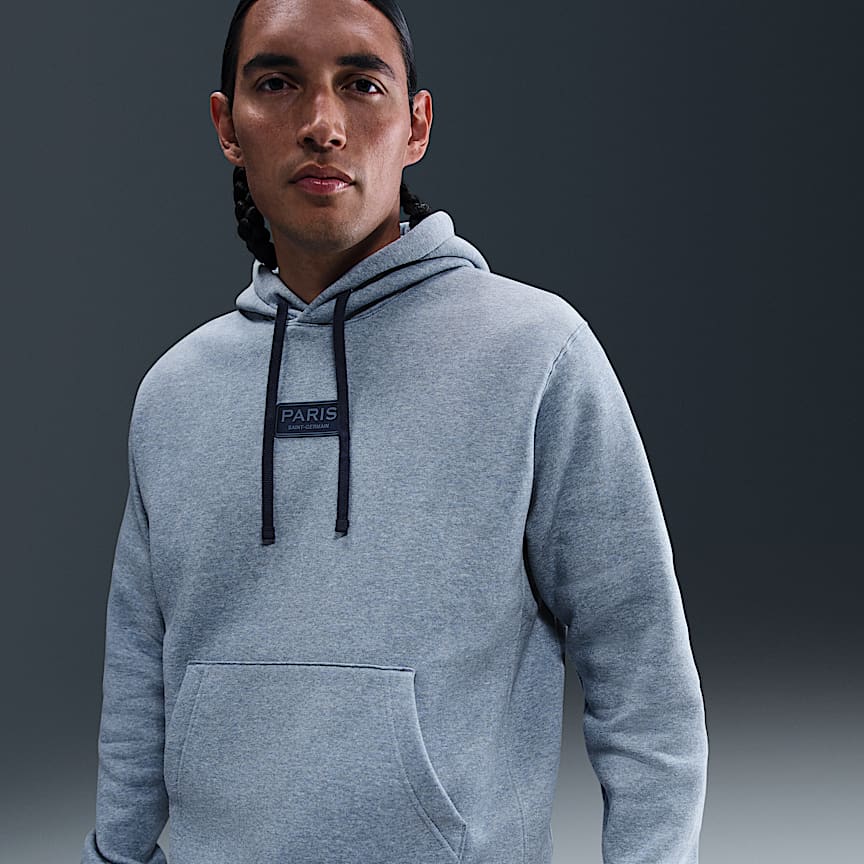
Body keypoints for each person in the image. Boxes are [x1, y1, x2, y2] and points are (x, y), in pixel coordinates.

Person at [80, 0, 709, 862]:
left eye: (361, 84)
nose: (322, 124)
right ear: (228, 126)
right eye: (278, 83)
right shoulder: (174, 393)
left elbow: (645, 681)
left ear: (416, 125)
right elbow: (136, 689)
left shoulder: (536, 353)